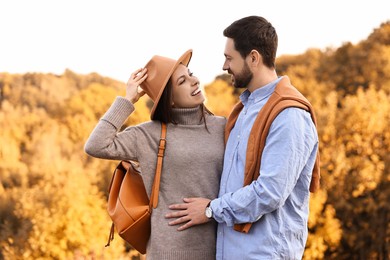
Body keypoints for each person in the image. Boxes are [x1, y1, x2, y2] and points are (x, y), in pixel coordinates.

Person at [165, 16, 321, 259]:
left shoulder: (289, 116)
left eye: (229, 58)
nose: (224, 66)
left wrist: (209, 210)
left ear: (254, 58)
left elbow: (270, 192)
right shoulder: (244, 110)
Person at [84, 49, 226, 260]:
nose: (194, 81)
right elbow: (96, 145)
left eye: (191, 74)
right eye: (182, 81)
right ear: (169, 100)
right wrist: (127, 100)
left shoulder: (223, 126)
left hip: (221, 250)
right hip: (168, 253)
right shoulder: (149, 134)